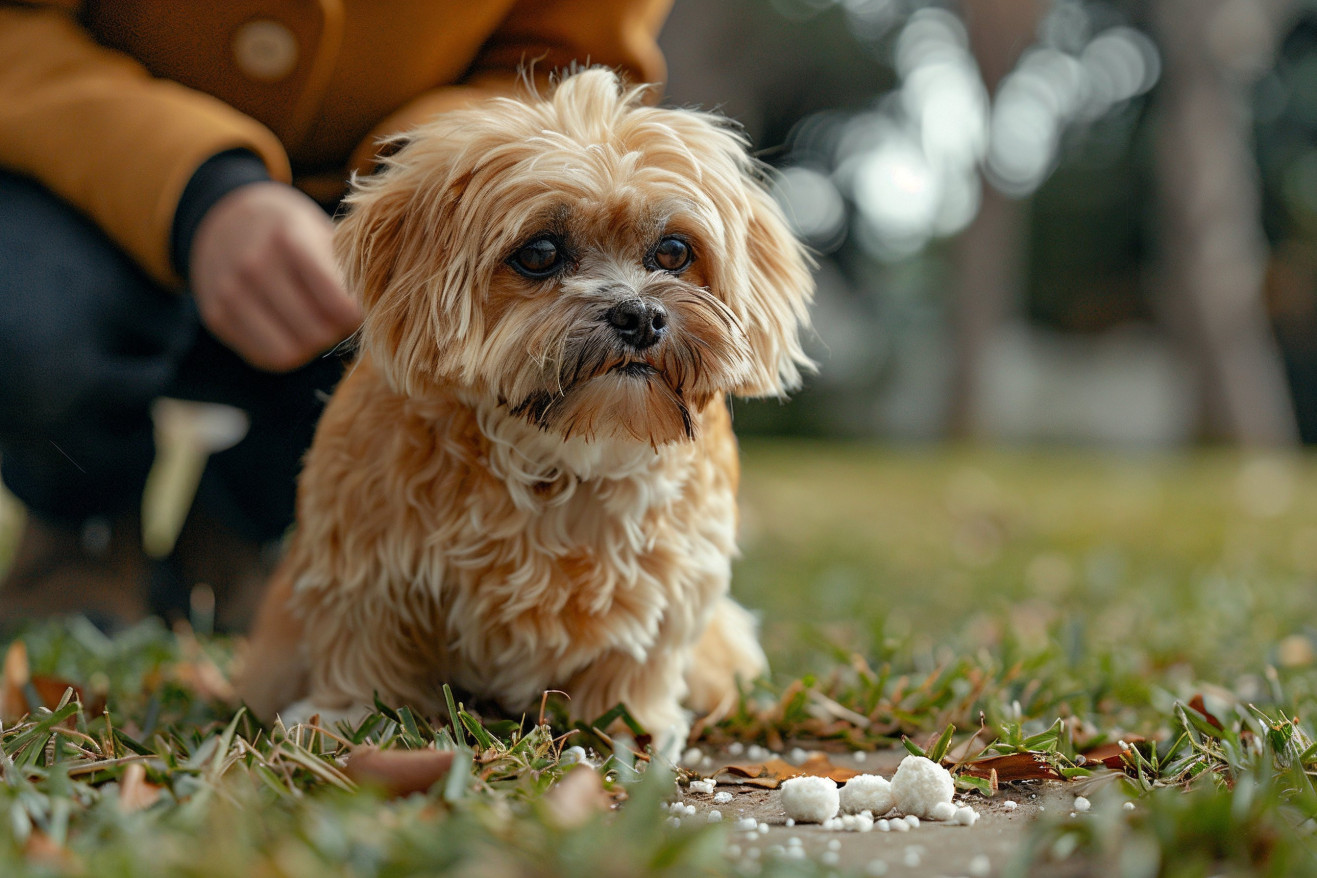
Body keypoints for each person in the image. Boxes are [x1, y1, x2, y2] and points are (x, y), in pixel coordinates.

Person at [0, 0, 672, 631]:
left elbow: (571, 60)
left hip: (401, 180)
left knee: (433, 315)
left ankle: (256, 522)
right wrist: (200, 191)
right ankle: (78, 524)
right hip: (78, 177)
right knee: (33, 316)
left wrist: (419, 208)